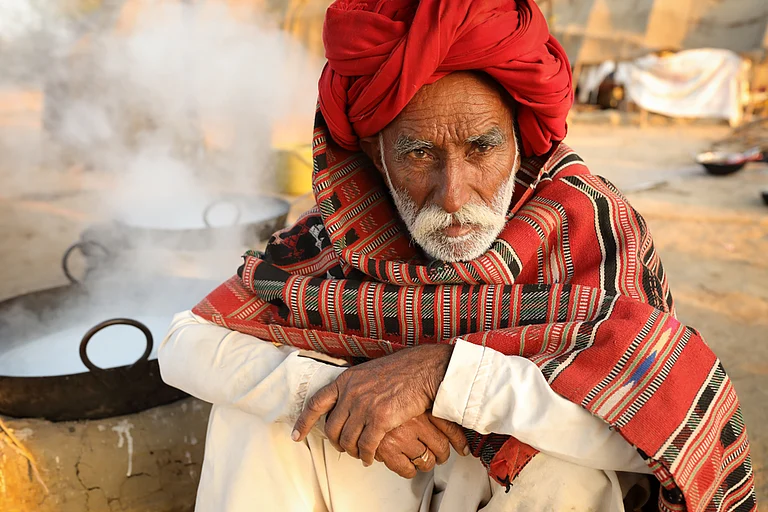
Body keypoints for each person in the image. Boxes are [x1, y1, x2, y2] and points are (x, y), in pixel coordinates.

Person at [158, 1, 756, 510]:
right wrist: (342, 390)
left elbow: (646, 439)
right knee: (259, 421)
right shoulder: (342, 230)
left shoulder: (588, 228)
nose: (454, 194)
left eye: (482, 148)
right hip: (386, 484)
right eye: (419, 154)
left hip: (520, 495)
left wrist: (444, 375)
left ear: (520, 134)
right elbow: (186, 343)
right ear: (374, 152)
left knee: (565, 469)